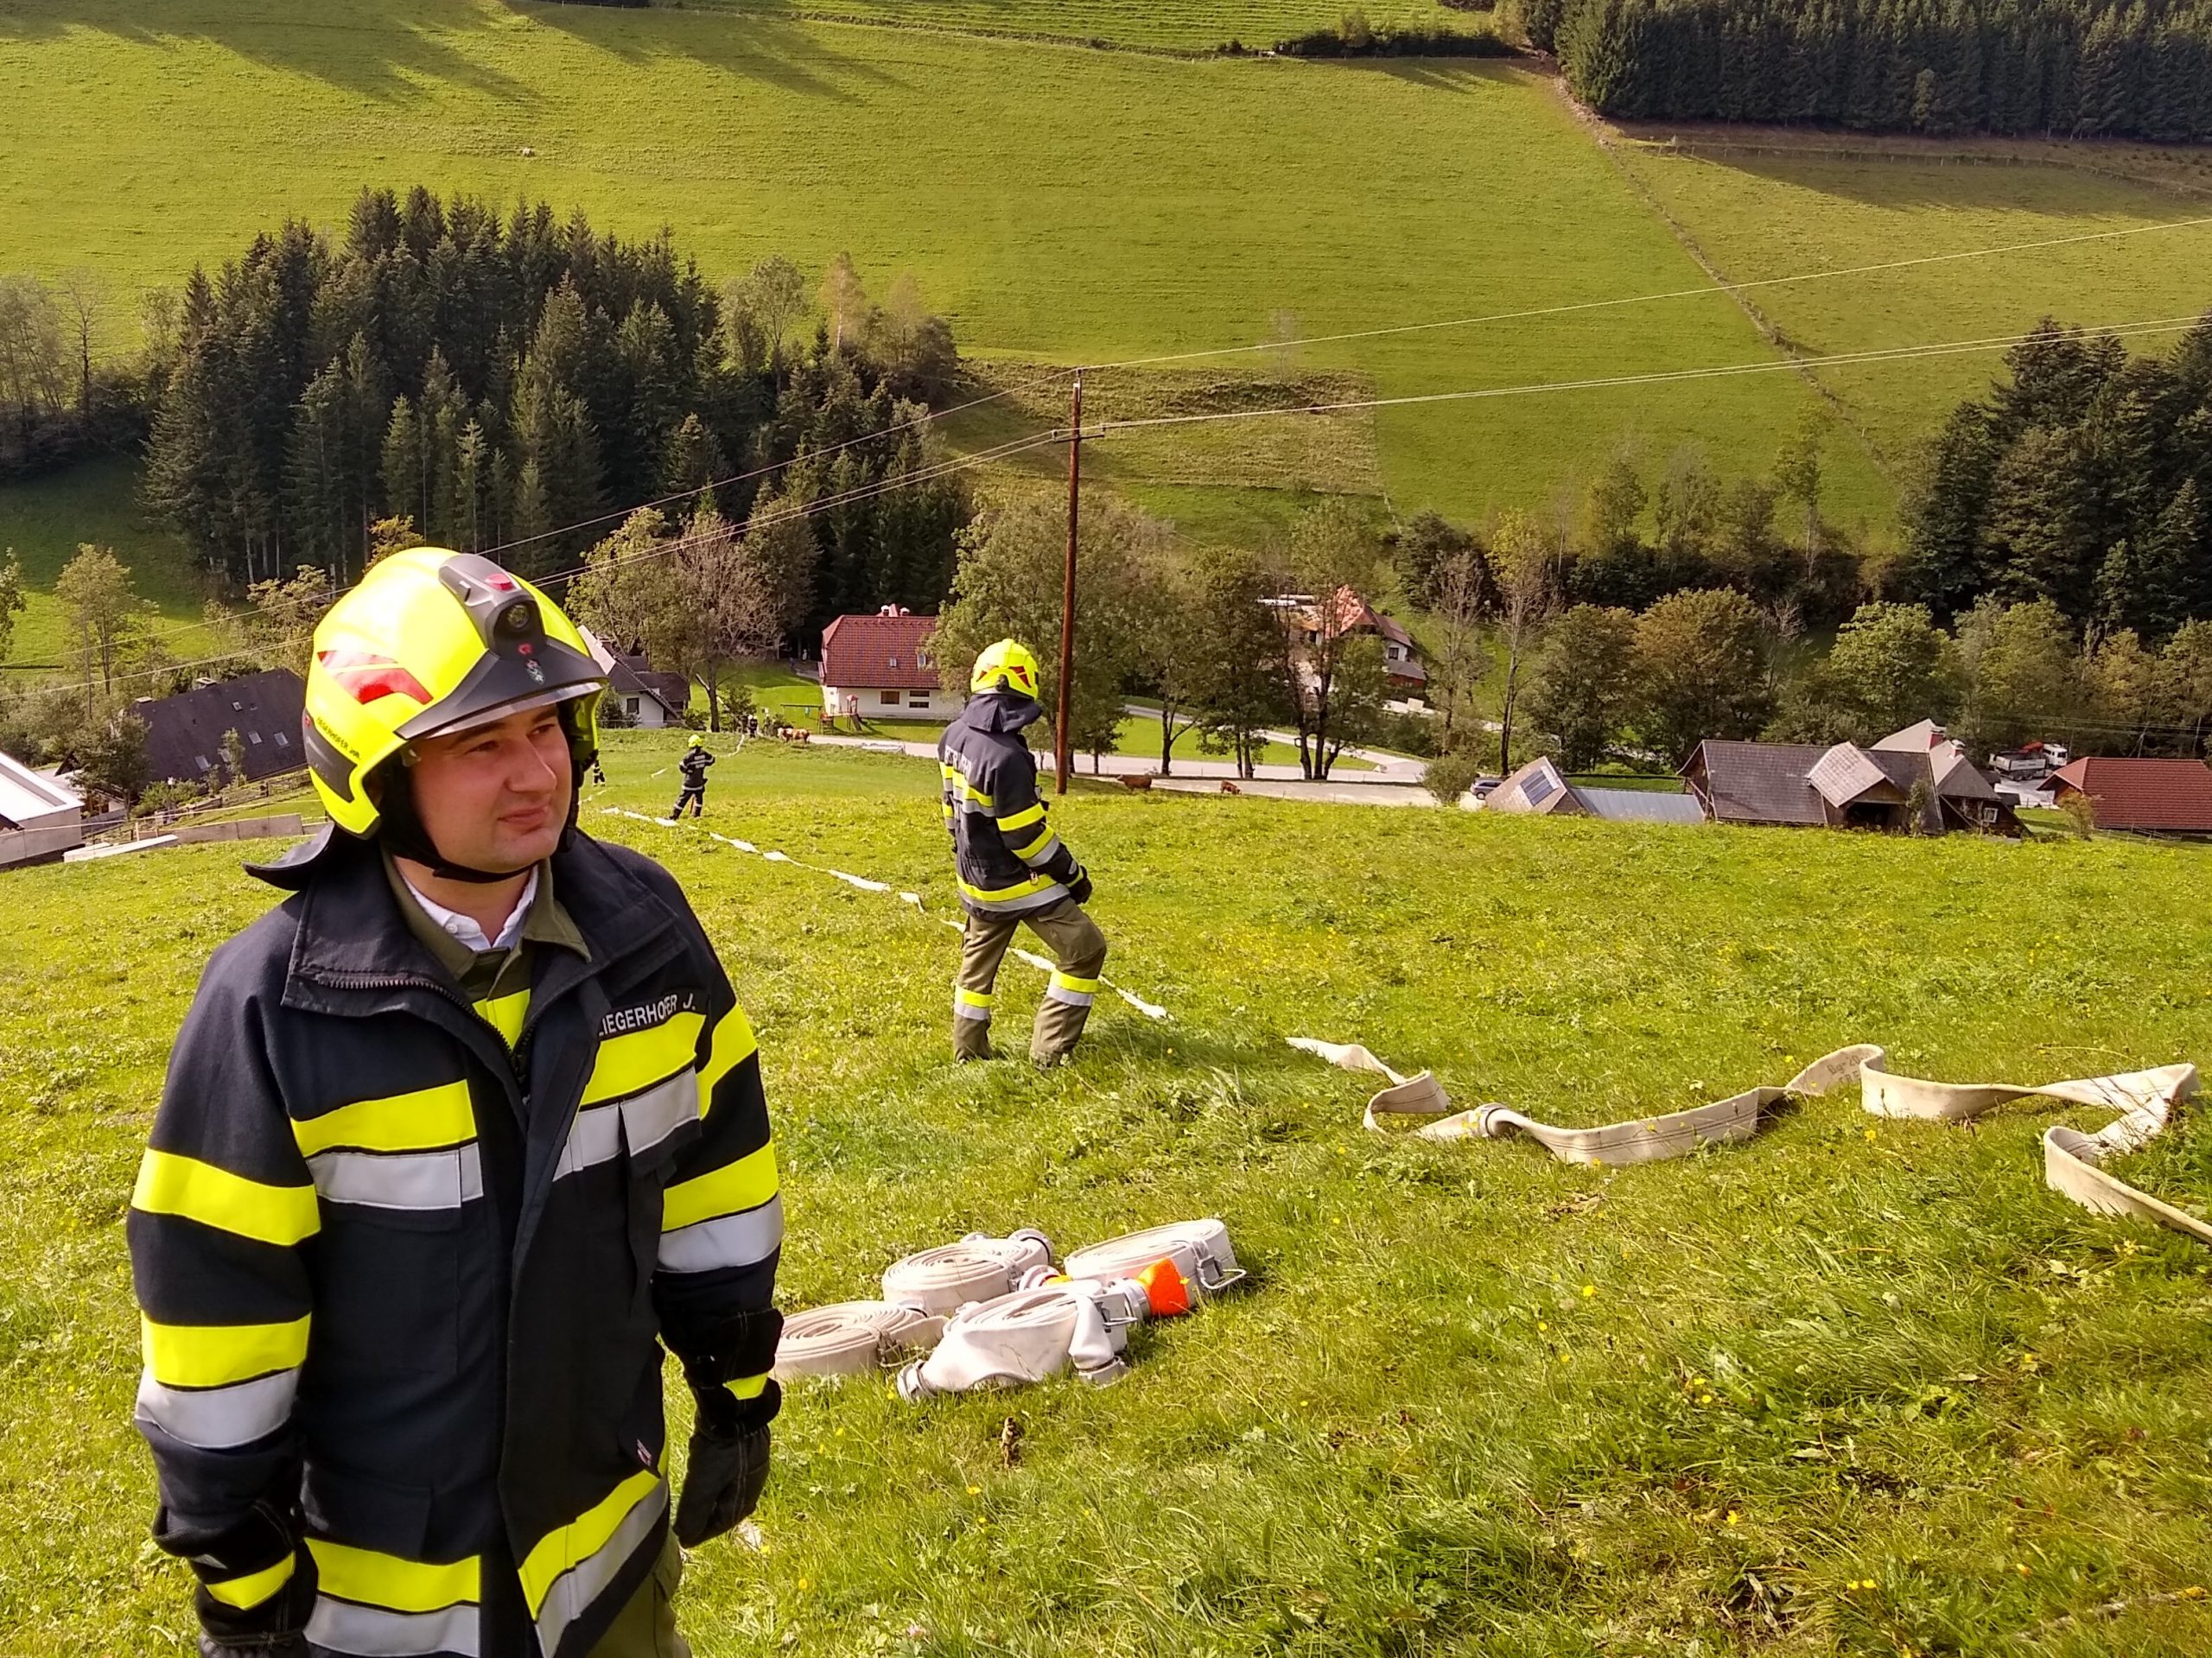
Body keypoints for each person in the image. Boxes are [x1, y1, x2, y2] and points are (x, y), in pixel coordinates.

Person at [127, 549, 783, 1658]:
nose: (536, 772)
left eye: (546, 729)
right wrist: (238, 1565)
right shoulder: (275, 1006)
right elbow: (216, 1320)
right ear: (375, 777)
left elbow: (716, 1179)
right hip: (378, 1611)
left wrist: (738, 1385)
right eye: (482, 743)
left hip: (607, 1565)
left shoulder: (649, 937)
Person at [938, 639, 1107, 1066]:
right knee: (1086, 949)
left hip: (974, 880)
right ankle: (1049, 1053)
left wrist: (966, 860)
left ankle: (968, 1052)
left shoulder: (953, 736)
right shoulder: (1009, 756)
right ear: (1026, 687)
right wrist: (1072, 876)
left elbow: (950, 811)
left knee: (976, 970)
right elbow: (1026, 840)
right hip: (1017, 884)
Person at [671, 734, 715, 819]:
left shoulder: (690, 755)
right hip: (699, 783)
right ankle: (696, 815)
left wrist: (689, 771)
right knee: (699, 799)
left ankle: (675, 815)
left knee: (682, 799)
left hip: (689, 783)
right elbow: (711, 760)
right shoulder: (704, 753)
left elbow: (682, 766)